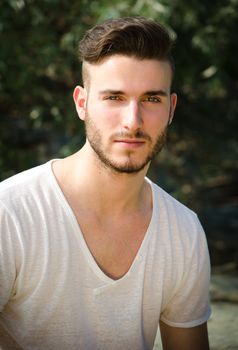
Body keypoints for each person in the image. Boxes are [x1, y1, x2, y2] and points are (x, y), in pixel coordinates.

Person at [0, 17, 211, 350]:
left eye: (151, 99)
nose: (133, 121)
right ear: (82, 103)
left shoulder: (184, 231)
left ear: (171, 109)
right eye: (114, 97)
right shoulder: (9, 214)